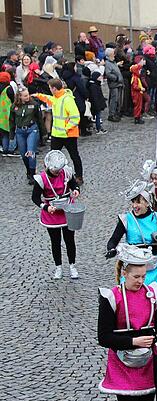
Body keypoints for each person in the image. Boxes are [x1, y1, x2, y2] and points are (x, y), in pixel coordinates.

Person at [97, 244, 157, 401]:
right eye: (136, 277)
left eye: (143, 276)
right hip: (122, 363)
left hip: (148, 362)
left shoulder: (154, 294)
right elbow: (103, 337)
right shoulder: (112, 297)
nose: (140, 281)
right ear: (124, 273)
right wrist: (133, 342)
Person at [106, 180, 157, 291]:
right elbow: (114, 239)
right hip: (134, 268)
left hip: (155, 268)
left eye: (138, 202)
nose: (134, 206)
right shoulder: (126, 219)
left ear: (147, 203)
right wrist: (111, 249)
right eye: (133, 202)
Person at [31, 150, 80, 279]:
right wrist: (46, 207)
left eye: (59, 170)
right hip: (51, 213)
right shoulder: (41, 179)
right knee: (55, 241)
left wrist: (75, 190)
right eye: (55, 171)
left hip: (67, 209)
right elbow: (35, 197)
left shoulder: (67, 172)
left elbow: (74, 184)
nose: (57, 173)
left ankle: (72, 266)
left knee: (70, 240)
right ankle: (58, 267)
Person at [32, 79, 83, 184]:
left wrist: (66, 128)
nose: (49, 89)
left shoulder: (67, 100)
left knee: (74, 156)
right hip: (57, 134)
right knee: (52, 157)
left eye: (50, 88)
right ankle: (50, 177)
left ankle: (79, 176)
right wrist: (37, 95)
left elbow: (75, 117)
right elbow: (48, 99)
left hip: (68, 134)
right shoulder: (57, 97)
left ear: (54, 89)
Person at [11, 87, 44, 185]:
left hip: (31, 129)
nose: (27, 97)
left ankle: (33, 174)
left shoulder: (34, 105)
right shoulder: (14, 107)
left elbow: (39, 119)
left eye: (28, 95)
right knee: (23, 154)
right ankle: (29, 170)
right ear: (19, 97)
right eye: (25, 96)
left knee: (30, 152)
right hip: (20, 131)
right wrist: (11, 135)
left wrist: (43, 133)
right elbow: (11, 121)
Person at [104, 48, 124, 122]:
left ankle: (115, 113)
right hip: (114, 84)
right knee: (114, 100)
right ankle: (111, 114)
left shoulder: (113, 62)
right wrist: (116, 78)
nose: (114, 54)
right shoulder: (108, 63)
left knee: (117, 100)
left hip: (118, 83)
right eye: (113, 53)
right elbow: (108, 73)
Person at [0, 71, 15, 156]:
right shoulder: (9, 88)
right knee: (11, 131)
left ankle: (4, 149)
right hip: (8, 113)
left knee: (3, 133)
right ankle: (11, 149)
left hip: (0, 114)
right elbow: (13, 100)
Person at [130, 57, 148, 124]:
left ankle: (138, 117)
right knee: (138, 106)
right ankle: (137, 118)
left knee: (139, 106)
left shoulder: (135, 77)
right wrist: (141, 88)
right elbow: (135, 86)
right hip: (136, 94)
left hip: (137, 93)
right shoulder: (135, 77)